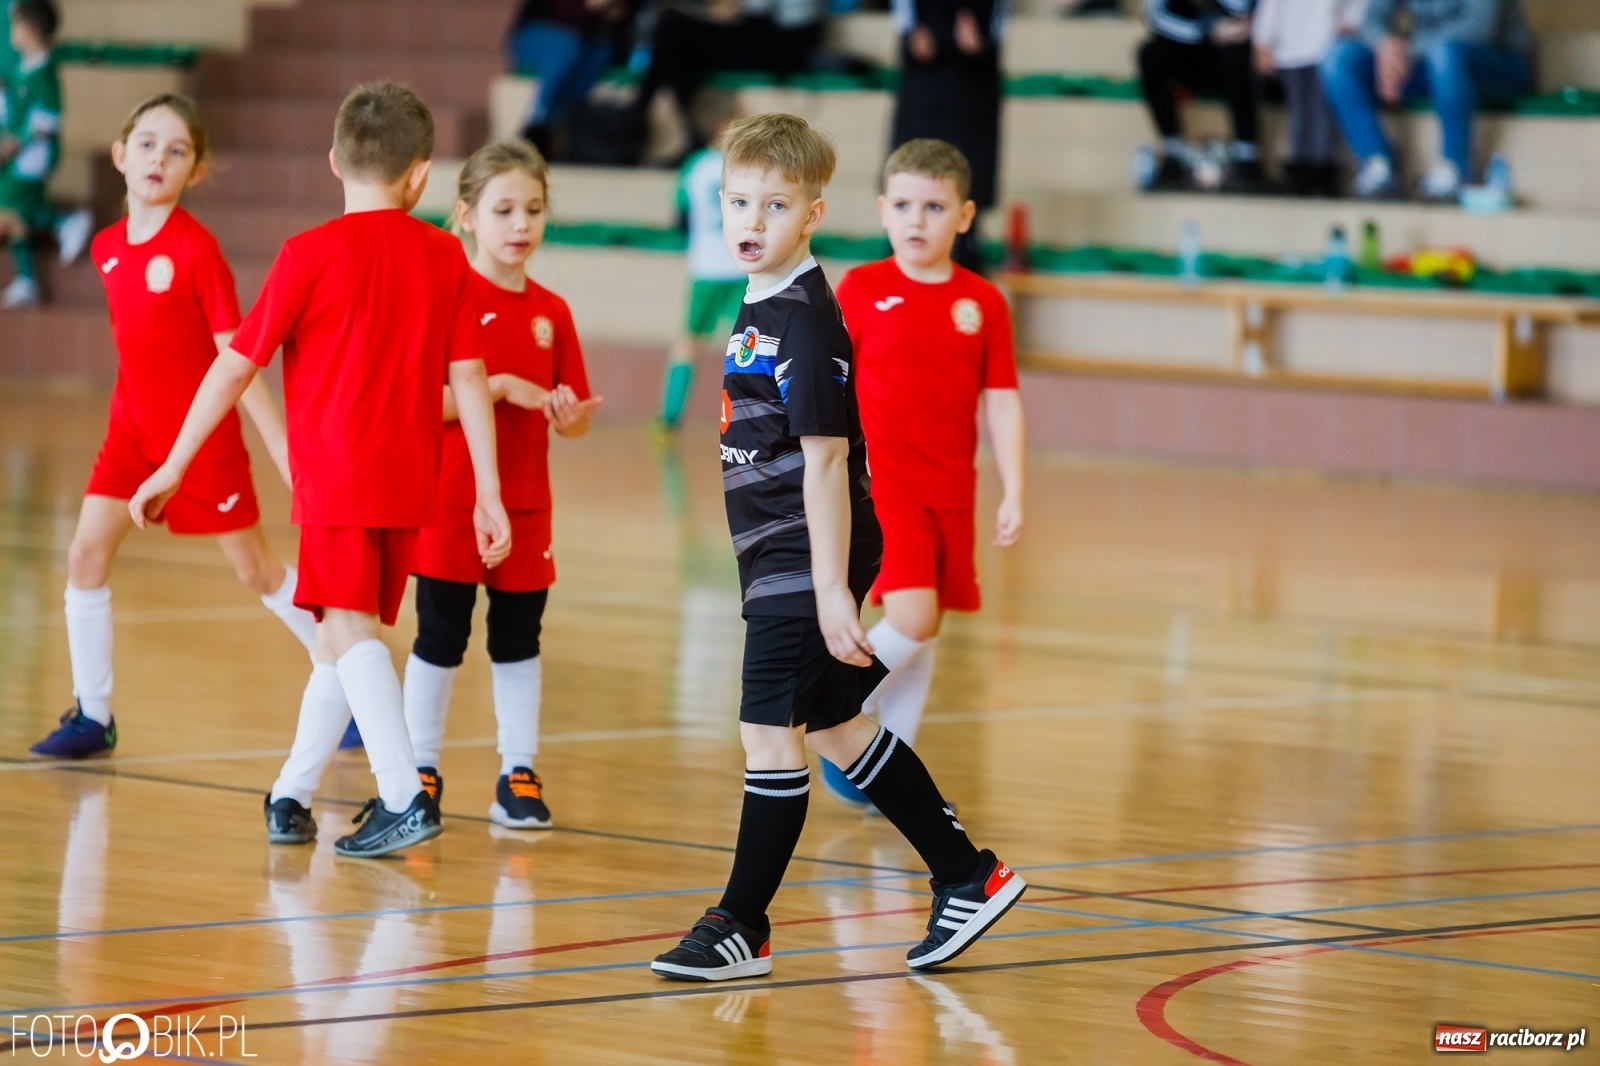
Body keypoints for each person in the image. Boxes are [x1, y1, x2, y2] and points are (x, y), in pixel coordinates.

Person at [649, 113, 1025, 983]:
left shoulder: (809, 323)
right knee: (838, 727)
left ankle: (742, 926)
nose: (751, 221)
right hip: (780, 552)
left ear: (812, 213)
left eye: (774, 206)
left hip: (803, 555)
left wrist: (826, 590)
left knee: (765, 734)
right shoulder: (761, 297)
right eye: (737, 202)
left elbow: (827, 464)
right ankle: (970, 875)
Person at [129, 81, 511, 859]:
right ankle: (292, 794)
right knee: (347, 635)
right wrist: (491, 493)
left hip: (334, 474)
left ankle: (405, 797)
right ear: (421, 176)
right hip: (413, 479)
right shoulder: (445, 255)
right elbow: (470, 377)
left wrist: (173, 462)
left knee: (347, 629)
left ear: (334, 161)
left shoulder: (307, 254)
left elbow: (235, 367)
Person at [27, 93, 339, 760]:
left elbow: (241, 361)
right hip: (130, 433)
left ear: (194, 172)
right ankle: (94, 715)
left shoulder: (198, 254)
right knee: (84, 556)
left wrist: (282, 448)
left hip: (201, 445)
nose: (157, 159)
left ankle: (346, 681)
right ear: (119, 155)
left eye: (176, 151)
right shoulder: (108, 248)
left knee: (257, 571)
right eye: (146, 144)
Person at [403, 139, 601, 831]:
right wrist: (503, 388)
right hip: (449, 501)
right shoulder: (443, 297)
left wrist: (568, 416)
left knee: (518, 639)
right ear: (465, 216)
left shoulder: (553, 310)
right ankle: (416, 772)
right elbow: (419, 401)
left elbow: (571, 418)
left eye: (534, 210)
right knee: (440, 636)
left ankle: (517, 771)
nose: (521, 225)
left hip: (526, 504)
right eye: (505, 209)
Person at [824, 137, 1024, 807]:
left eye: (934, 207)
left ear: (964, 216)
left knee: (926, 628)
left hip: (952, 491)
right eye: (904, 205)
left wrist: (1014, 489)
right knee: (911, 617)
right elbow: (828, 387)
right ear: (883, 210)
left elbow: (1002, 400)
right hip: (883, 487)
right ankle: (832, 711)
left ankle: (886, 775)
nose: (917, 219)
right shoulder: (862, 289)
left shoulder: (983, 303)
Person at [1321, 0, 1531, 202]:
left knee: (1446, 54)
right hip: (1428, 61)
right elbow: (1372, 18)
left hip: (1499, 63)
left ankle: (1455, 168)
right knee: (1339, 58)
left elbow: (1480, 28)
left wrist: (1405, 52)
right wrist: (1385, 44)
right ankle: (1379, 165)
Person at [889, 0, 1004, 272]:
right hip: (922, 89)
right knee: (911, 174)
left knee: (967, 186)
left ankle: (968, 252)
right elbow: (904, 19)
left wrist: (980, 44)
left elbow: (998, 26)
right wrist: (912, 39)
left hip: (972, 91)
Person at [630, 0, 825, 159]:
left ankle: (639, 115)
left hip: (782, 47)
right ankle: (679, 130)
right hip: (777, 38)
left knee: (671, 30)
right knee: (677, 46)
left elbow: (753, 18)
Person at [656, 91, 743, 431]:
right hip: (740, 269)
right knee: (750, 346)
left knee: (688, 341)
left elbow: (680, 215)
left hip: (705, 268)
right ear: (726, 126)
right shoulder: (743, 166)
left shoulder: (693, 167)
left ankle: (668, 417)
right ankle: (755, 419)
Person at [0, 0, 91, 309]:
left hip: (33, 159)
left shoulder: (44, 71)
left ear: (31, 29)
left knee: (8, 213)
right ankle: (27, 280)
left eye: (15, 25)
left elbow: (49, 120)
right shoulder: (24, 68)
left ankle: (63, 220)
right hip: (19, 158)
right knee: (15, 214)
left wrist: (16, 143)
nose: (11, 33)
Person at [1137, 0, 1264, 193]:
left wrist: (1229, 29)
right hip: (1187, 46)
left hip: (1231, 47)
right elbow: (1154, 15)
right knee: (1149, 53)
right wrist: (1207, 29)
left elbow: (1245, 9)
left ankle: (1246, 156)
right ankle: (1173, 152)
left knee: (1236, 56)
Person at [1253, 0, 1363, 197]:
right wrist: (1263, 40)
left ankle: (1323, 170)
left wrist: (1351, 22)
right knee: (1299, 111)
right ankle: (1301, 169)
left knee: (1323, 112)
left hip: (1327, 41)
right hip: (1288, 46)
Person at [506, 0, 633, 159]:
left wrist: (613, 12)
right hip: (538, 32)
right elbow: (563, 10)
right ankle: (537, 121)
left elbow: (619, 21)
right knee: (567, 48)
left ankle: (559, 121)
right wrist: (590, 7)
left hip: (581, 41)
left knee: (600, 52)